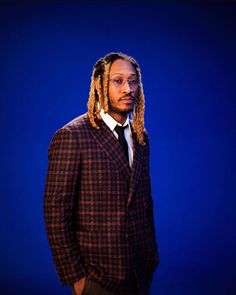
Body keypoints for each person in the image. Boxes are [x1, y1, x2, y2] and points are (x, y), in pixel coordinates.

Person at [44, 52, 159, 295]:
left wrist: (151, 255)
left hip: (140, 272)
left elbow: (143, 202)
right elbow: (56, 211)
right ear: (99, 85)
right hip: (97, 277)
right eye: (118, 81)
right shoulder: (72, 136)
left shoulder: (141, 137)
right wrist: (76, 277)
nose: (127, 88)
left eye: (133, 81)